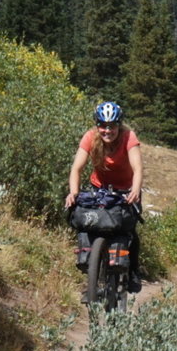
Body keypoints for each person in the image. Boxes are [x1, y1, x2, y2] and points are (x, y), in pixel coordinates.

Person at [65, 101, 143, 292]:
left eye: (112, 126)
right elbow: (77, 168)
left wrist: (135, 190)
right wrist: (73, 192)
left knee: (130, 230)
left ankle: (133, 271)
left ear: (119, 125)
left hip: (126, 189)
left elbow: (138, 168)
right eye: (103, 125)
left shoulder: (128, 137)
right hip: (99, 188)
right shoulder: (90, 137)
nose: (107, 130)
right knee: (91, 224)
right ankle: (93, 269)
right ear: (97, 125)